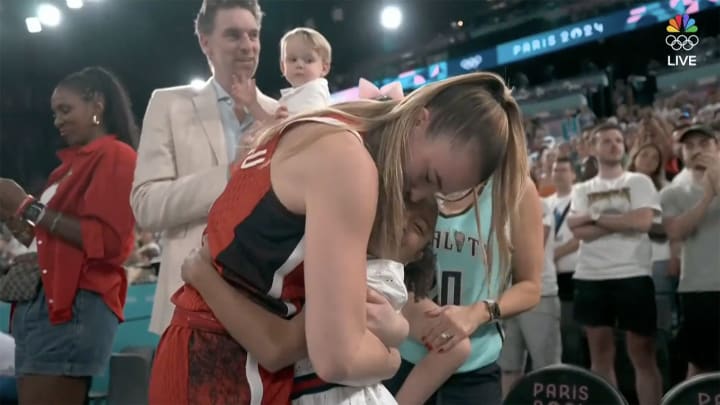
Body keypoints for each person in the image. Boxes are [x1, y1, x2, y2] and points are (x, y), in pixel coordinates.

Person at [148, 71, 530, 405]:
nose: (415, 197)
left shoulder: (326, 124)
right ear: (420, 118)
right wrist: (391, 356)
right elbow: (338, 358)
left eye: (436, 194)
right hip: (225, 365)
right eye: (428, 177)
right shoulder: (350, 162)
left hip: (207, 350)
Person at [179, 197, 438, 404]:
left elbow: (279, 347)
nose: (403, 220)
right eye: (400, 205)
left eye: (418, 227)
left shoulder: (381, 276)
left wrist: (203, 277)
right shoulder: (344, 255)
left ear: (417, 255)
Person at [131, 0, 278, 335]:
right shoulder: (169, 105)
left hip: (267, 307)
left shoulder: (280, 113)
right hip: (191, 306)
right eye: (233, 35)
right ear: (205, 41)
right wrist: (231, 174)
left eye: (253, 35)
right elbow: (146, 206)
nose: (247, 46)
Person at [0, 66, 138, 405]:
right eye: (54, 113)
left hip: (74, 306)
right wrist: (13, 216)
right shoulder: (65, 169)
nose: (57, 121)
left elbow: (107, 242)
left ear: (98, 105)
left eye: (66, 109)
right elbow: (51, 240)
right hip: (42, 305)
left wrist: (26, 206)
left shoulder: (116, 156)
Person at [386, 177, 544, 405]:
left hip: (474, 368)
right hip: (402, 355)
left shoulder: (513, 187)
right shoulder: (415, 173)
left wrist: (477, 312)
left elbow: (530, 288)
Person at [568, 123, 663, 405]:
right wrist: (623, 222)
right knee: (600, 354)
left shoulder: (638, 182)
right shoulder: (582, 188)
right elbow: (578, 231)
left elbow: (643, 222)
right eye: (607, 141)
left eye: (619, 140)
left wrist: (594, 217)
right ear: (594, 148)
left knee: (643, 353)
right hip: (591, 276)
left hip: (632, 273)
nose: (614, 145)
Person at [660, 125, 720, 377]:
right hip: (698, 285)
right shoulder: (672, 193)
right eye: (690, 146)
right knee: (698, 362)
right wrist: (708, 196)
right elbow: (675, 231)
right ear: (681, 152)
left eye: (704, 144)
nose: (697, 150)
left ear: (716, 147)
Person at [232, 26, 331, 124]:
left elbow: (285, 129)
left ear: (324, 68)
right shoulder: (300, 94)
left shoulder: (315, 90)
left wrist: (253, 104)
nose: (299, 65)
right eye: (293, 59)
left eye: (309, 60)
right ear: (283, 67)